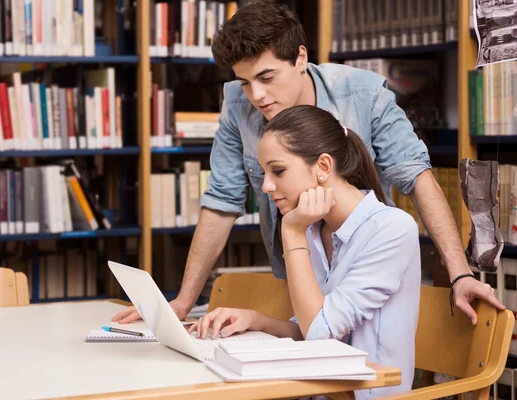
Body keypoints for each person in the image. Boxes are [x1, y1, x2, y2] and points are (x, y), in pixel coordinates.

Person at [112, 0, 502, 326]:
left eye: (266, 76)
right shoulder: (237, 102)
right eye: (245, 82)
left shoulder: (364, 95)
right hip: (297, 274)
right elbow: (221, 202)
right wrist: (182, 302)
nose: (257, 96)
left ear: (301, 57)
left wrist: (460, 273)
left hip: (363, 276)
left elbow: (417, 178)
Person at [188, 105, 421, 398]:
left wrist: (292, 232)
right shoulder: (313, 228)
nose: (267, 187)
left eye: (278, 171)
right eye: (264, 173)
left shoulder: (392, 228)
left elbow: (319, 332)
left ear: (323, 167)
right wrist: (254, 320)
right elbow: (311, 326)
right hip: (317, 389)